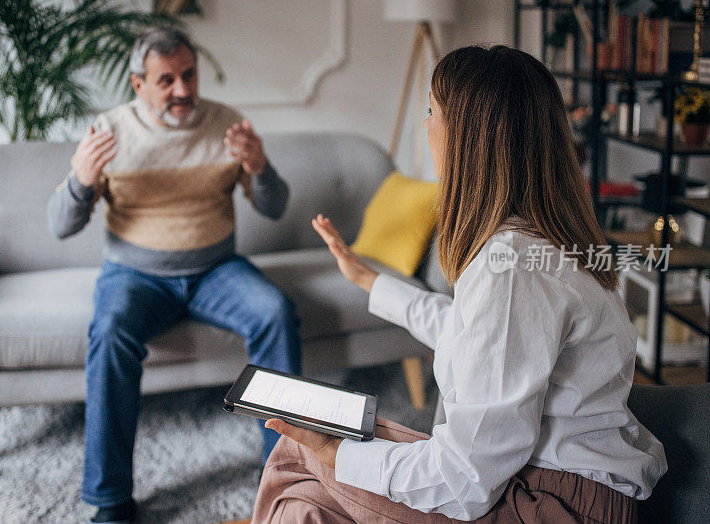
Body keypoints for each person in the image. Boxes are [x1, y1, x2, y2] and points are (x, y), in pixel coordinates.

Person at [252, 45, 667, 523]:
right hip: (561, 488)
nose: (425, 125)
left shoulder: (511, 267)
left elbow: (465, 480)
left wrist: (336, 453)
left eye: (432, 110)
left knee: (295, 457)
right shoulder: (543, 239)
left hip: (551, 505)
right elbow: (473, 337)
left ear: (470, 137)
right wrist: (370, 279)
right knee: (308, 506)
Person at [47, 27, 301, 524]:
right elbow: (60, 226)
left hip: (215, 270)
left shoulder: (226, 124)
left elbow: (275, 208)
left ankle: (286, 474)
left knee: (275, 311)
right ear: (138, 83)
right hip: (134, 275)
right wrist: (80, 179)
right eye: (167, 80)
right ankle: (110, 499)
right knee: (110, 331)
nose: (183, 90)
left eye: (189, 75)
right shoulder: (110, 130)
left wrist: (260, 166)